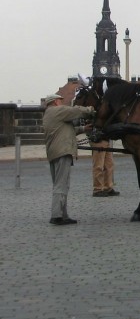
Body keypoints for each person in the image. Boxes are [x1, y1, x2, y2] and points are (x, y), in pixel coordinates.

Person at [42, 93, 95, 225]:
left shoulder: (49, 114)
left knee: (61, 183)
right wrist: (91, 109)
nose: (62, 102)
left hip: (54, 152)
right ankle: (56, 215)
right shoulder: (58, 110)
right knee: (61, 184)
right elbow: (76, 111)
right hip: (62, 152)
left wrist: (83, 129)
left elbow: (65, 130)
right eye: (61, 100)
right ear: (55, 102)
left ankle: (63, 214)